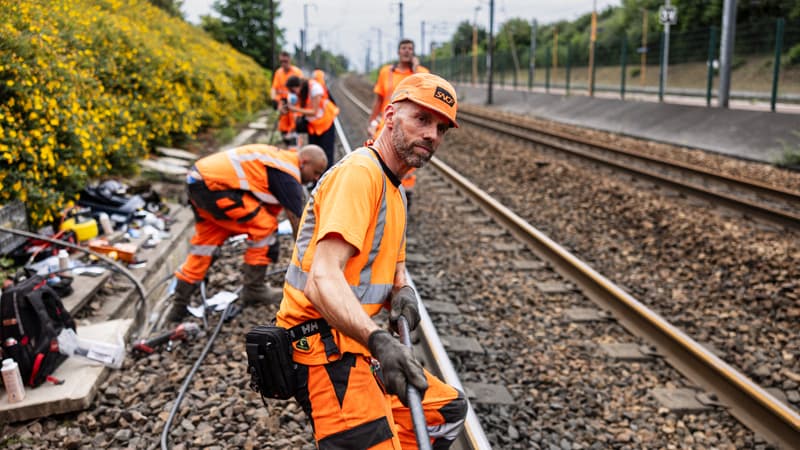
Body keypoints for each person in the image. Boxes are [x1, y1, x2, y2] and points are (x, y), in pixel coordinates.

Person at [276, 73, 467, 449]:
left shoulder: (393, 189)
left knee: (445, 411)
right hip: (323, 354)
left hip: (353, 346)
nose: (432, 135)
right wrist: (379, 339)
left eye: (442, 128)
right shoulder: (360, 175)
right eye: (423, 120)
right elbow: (322, 279)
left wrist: (404, 291)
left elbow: (394, 266)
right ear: (391, 115)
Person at [168, 144, 328, 322]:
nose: (316, 178)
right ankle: (254, 289)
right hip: (213, 187)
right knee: (264, 227)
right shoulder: (287, 173)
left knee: (205, 245)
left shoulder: (279, 161)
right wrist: (310, 264)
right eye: (316, 172)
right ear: (304, 162)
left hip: (199, 183)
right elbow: (298, 223)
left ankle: (178, 306)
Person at [368, 39, 429, 209]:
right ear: (398, 51)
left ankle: (403, 202)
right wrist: (372, 121)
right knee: (383, 160)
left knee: (406, 166)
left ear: (414, 52)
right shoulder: (386, 72)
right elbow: (379, 99)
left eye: (410, 48)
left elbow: (426, 95)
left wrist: (416, 69)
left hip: (411, 128)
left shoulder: (421, 72)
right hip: (386, 124)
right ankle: (381, 199)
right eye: (404, 48)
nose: (407, 51)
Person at [285, 75, 340, 171]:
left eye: (293, 91)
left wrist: (294, 109)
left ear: (299, 87)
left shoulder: (315, 88)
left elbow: (314, 111)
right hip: (314, 126)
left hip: (325, 123)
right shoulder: (301, 92)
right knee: (314, 154)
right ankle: (315, 181)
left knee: (326, 154)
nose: (294, 94)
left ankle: (326, 180)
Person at [271, 52, 305, 146]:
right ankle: (287, 146)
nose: (283, 64)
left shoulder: (297, 72)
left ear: (289, 60)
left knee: (295, 131)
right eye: (281, 61)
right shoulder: (278, 72)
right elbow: (274, 88)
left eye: (285, 61)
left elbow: (303, 90)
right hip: (283, 106)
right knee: (283, 130)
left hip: (294, 108)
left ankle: (296, 151)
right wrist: (274, 100)